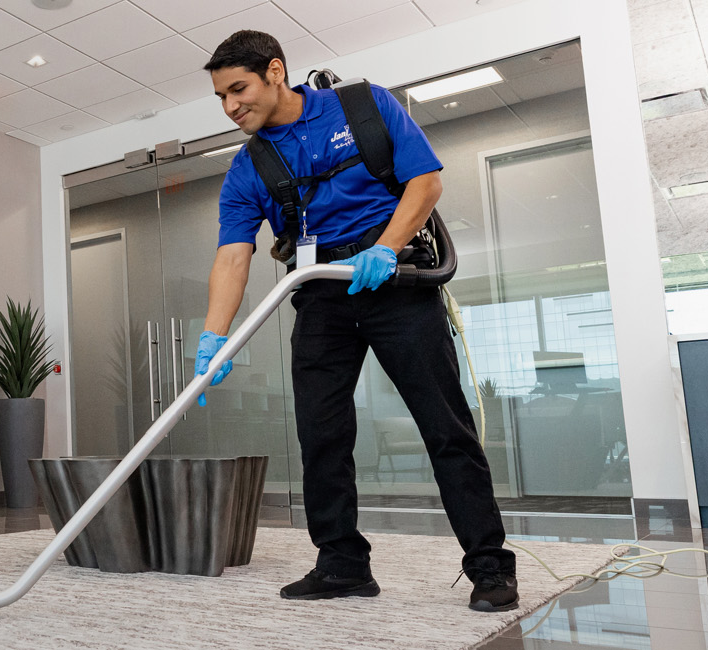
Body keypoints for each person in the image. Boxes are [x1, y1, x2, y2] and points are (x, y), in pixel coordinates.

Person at [192, 30, 518, 612]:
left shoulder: (363, 106)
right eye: (221, 97)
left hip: (394, 280)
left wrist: (386, 248)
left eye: (238, 89)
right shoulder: (247, 168)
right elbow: (233, 256)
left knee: (445, 427)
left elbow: (425, 182)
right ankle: (342, 565)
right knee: (322, 435)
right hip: (319, 295)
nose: (230, 106)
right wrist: (214, 336)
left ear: (275, 71)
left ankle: (490, 568)